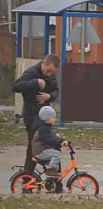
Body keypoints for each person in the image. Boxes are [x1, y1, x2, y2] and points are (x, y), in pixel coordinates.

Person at [12, 54, 61, 191]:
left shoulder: (51, 76)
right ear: (43, 63)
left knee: (54, 146)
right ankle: (27, 182)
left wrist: (50, 96)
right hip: (32, 117)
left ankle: (56, 184)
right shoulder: (32, 72)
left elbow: (55, 90)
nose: (49, 74)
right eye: (48, 71)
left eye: (52, 72)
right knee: (33, 149)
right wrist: (36, 83)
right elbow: (16, 86)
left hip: (45, 118)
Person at [31, 106, 68, 182]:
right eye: (53, 117)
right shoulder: (43, 128)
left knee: (54, 154)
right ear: (46, 119)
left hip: (43, 149)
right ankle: (50, 171)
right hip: (40, 151)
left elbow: (54, 138)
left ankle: (51, 175)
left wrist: (61, 141)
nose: (54, 119)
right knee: (55, 154)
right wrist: (58, 143)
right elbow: (47, 140)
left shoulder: (47, 127)